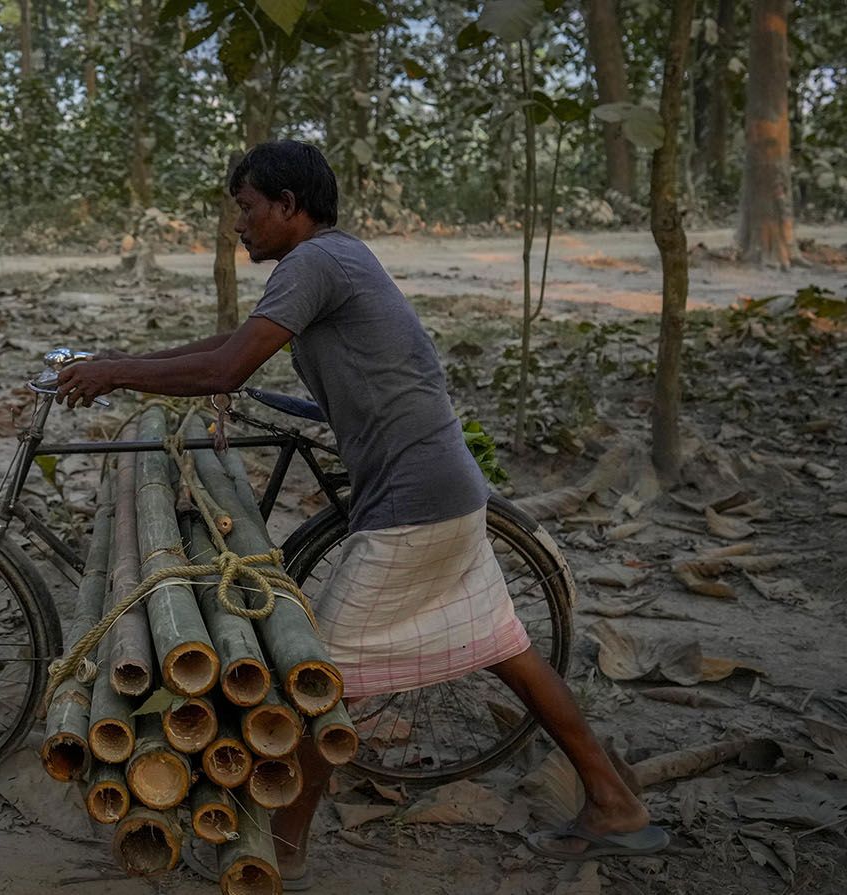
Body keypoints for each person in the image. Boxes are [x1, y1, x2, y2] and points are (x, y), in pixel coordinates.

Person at [54, 140, 666, 878]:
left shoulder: (317, 262)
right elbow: (230, 346)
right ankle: (612, 798)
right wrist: (127, 364)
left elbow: (226, 365)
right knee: (509, 650)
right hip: (446, 489)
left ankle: (280, 850)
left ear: (288, 206)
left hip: (413, 506)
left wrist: (116, 373)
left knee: (314, 680)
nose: (238, 226)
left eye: (247, 209)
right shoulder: (330, 259)